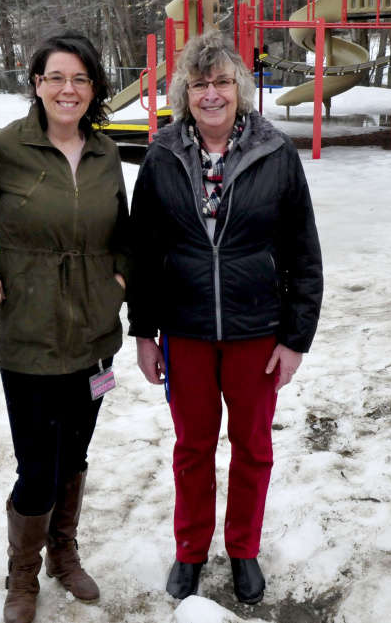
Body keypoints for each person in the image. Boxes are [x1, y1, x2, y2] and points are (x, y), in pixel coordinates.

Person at [128, 29, 323, 605]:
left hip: (256, 331)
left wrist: (295, 338)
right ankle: (190, 552)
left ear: (238, 87)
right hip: (184, 330)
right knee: (192, 448)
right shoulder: (161, 155)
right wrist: (143, 332)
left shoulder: (275, 154)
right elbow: (143, 253)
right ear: (183, 94)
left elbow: (303, 254)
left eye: (220, 82)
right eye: (198, 84)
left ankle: (243, 549)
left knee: (252, 445)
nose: (210, 94)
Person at [0, 32, 130, 623]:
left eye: (79, 79)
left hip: (96, 336)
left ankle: (63, 554)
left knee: (75, 454)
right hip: (28, 336)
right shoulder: (5, 148)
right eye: (55, 77)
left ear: (94, 88)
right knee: (37, 466)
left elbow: (123, 235)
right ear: (36, 84)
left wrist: (120, 282)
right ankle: (21, 577)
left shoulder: (105, 154)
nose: (67, 89)